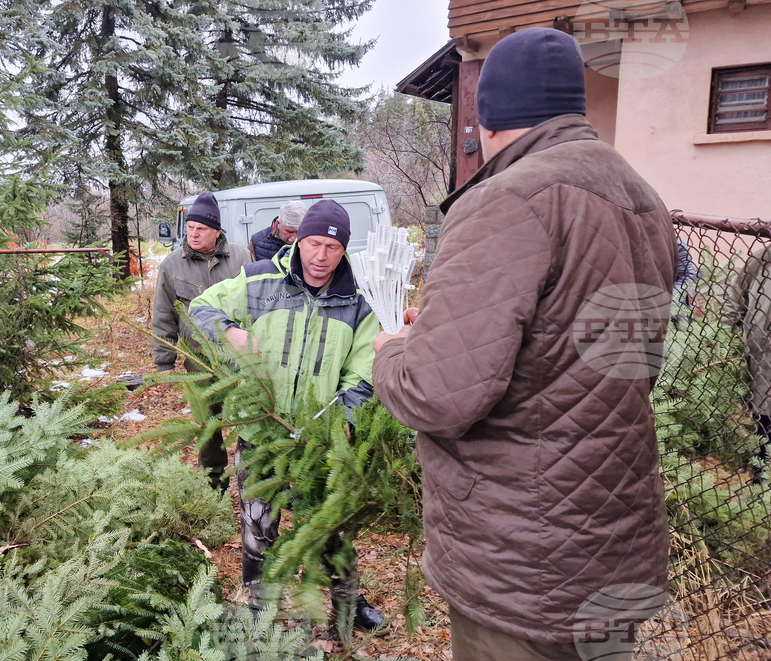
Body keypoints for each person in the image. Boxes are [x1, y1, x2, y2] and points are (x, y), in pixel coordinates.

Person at [371, 28, 677, 661]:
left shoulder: (507, 200)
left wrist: (394, 348)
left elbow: (438, 395)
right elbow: (577, 353)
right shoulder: (642, 199)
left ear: (487, 117)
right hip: (613, 535)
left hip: (525, 557)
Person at [188, 200, 384, 630]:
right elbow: (200, 308)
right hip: (261, 430)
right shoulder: (259, 280)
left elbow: (365, 371)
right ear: (298, 239)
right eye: (314, 243)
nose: (321, 256)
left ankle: (349, 604)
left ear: (344, 250)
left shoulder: (358, 300)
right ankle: (262, 607)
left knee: (332, 524)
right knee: (258, 527)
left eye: (332, 248)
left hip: (322, 438)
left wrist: (343, 420)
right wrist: (231, 330)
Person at [152, 191, 252, 491]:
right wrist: (164, 363)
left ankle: (256, 481)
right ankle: (215, 485)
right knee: (208, 427)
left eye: (201, 229)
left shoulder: (242, 257)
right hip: (199, 362)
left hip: (238, 359)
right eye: (190, 228)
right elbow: (162, 315)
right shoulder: (171, 265)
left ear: (217, 231)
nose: (193, 234)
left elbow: (257, 302)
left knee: (250, 418)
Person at [723, 243, 771, 481]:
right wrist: (723, 335)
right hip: (761, 357)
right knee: (763, 420)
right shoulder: (764, 256)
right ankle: (761, 479)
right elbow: (736, 295)